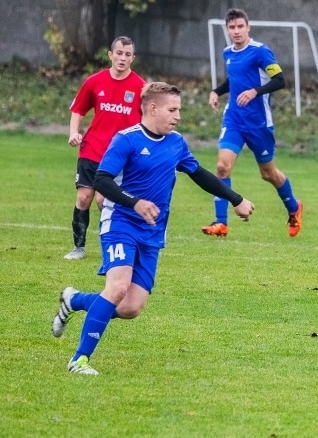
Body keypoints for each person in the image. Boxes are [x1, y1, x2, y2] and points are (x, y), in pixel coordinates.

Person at [51, 82, 255, 375]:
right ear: (153, 108)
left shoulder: (176, 143)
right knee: (118, 287)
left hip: (152, 231)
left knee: (130, 307)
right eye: (173, 110)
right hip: (120, 223)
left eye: (179, 110)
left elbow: (199, 175)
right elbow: (103, 180)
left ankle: (75, 299)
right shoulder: (126, 140)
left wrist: (236, 199)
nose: (178, 116)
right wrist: (134, 203)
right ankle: (79, 360)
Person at [201, 8, 303, 238]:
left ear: (248, 27)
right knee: (222, 167)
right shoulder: (228, 53)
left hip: (259, 124)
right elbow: (234, 79)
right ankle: (221, 223)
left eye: (240, 27)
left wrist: (255, 91)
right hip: (234, 119)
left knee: (269, 174)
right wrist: (216, 91)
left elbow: (280, 80)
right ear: (227, 29)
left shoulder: (260, 52)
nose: (236, 31)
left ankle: (294, 208)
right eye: (232, 27)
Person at [64, 36, 146, 260]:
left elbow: (148, 120)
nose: (122, 58)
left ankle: (112, 245)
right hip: (92, 149)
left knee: (103, 201)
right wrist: (74, 132)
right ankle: (78, 247)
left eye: (127, 54)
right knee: (83, 198)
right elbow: (78, 109)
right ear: (110, 55)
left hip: (119, 155)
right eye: (119, 53)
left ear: (133, 58)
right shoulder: (94, 81)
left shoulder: (140, 87)